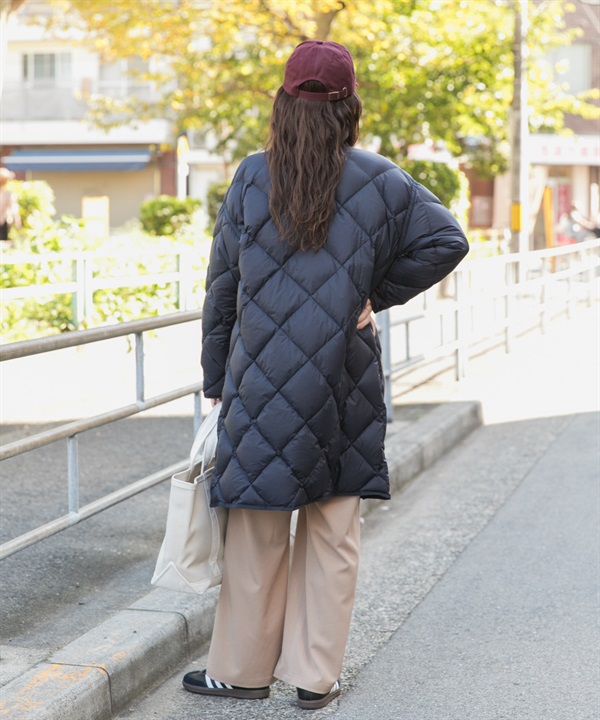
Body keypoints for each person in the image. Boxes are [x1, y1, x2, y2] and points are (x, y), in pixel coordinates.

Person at [183, 40, 469, 710]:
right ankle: (316, 677)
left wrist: (216, 378)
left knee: (256, 526)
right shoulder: (381, 179)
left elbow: (221, 289)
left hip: (261, 376)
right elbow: (447, 240)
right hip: (345, 372)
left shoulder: (252, 176)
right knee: (333, 528)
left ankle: (242, 671)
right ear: (350, 107)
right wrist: (374, 294)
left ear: (283, 103)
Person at [0, 168, 21, 242]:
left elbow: (13, 208)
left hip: (3, 221)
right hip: (3, 221)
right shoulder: (8, 194)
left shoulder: (8, 194)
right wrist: (18, 222)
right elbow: (14, 209)